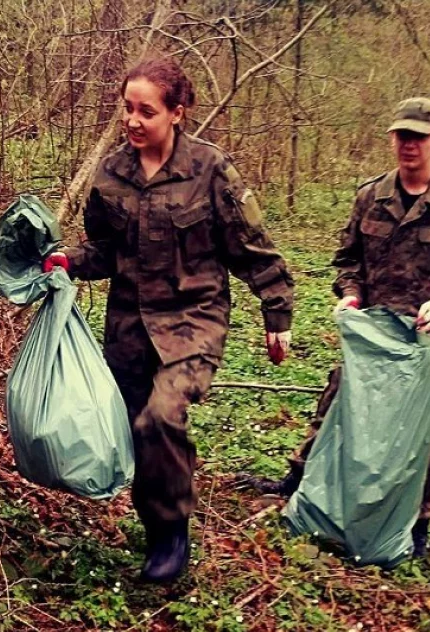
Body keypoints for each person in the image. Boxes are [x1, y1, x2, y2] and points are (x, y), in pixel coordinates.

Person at [42, 58, 294, 582]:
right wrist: (67, 259)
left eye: (146, 111)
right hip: (130, 327)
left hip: (192, 320)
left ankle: (173, 533)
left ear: (177, 113)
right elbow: (103, 250)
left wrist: (277, 312)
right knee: (137, 430)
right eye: (127, 109)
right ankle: (157, 531)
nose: (132, 120)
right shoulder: (111, 173)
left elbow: (251, 247)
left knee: (161, 416)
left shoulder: (211, 169)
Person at [241, 97, 430, 558]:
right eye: (402, 136)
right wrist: (351, 294)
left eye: (418, 137)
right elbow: (347, 260)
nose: (408, 145)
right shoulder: (371, 197)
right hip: (371, 337)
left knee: (426, 434)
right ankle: (298, 484)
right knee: (336, 408)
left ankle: (418, 523)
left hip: (425, 342)